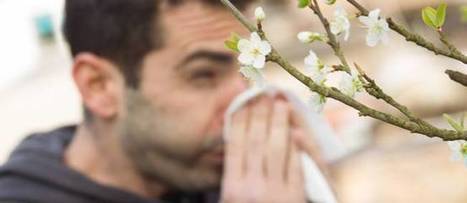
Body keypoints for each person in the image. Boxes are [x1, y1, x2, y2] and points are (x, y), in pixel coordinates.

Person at [0, 0, 319, 202]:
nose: (244, 104)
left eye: (247, 72)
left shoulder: (239, 184)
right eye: (204, 74)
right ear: (98, 86)